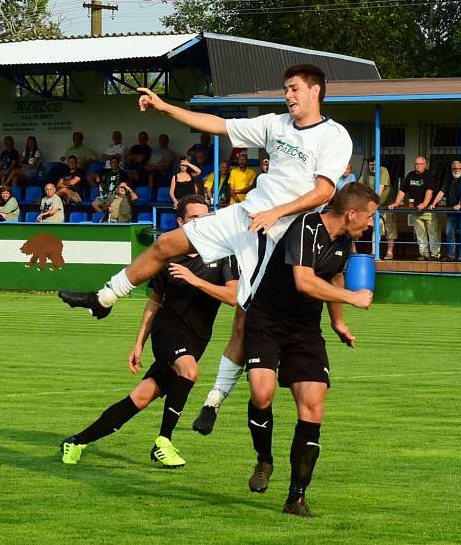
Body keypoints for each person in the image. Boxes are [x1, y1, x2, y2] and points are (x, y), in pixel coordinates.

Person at [58, 64, 352, 437]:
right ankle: (103, 298)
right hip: (244, 215)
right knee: (166, 243)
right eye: (286, 89)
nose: (288, 95)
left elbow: (324, 192)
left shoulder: (334, 136)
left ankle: (214, 398)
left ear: (315, 92)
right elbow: (216, 124)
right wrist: (165, 108)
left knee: (245, 313)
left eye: (294, 89)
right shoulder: (275, 124)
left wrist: (275, 212)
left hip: (280, 235)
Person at [60, 195, 239, 467]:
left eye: (205, 218)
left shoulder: (223, 255)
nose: (201, 223)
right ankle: (163, 442)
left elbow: (233, 296)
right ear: (181, 222)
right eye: (194, 218)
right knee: (189, 372)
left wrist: (195, 280)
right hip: (168, 331)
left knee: (140, 398)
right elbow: (154, 304)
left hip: (198, 339)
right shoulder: (167, 256)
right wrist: (139, 343)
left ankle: (76, 441)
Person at [241, 182, 377, 517]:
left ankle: (296, 498)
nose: (373, 223)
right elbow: (304, 281)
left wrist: (338, 322)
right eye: (371, 215)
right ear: (351, 213)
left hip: (304, 329)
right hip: (267, 320)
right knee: (262, 394)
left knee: (313, 407)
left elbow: (334, 279)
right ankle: (264, 459)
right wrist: (354, 299)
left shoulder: (345, 241)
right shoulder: (305, 226)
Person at [387, 156, 439, 260]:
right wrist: (396, 203)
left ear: (425, 165)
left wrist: (424, 204)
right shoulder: (410, 175)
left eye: (420, 164)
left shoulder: (429, 175)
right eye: (416, 164)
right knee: (420, 234)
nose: (418, 166)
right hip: (415, 210)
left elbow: (430, 191)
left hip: (428, 211)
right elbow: (402, 190)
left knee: (433, 233)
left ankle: (435, 255)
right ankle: (424, 255)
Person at [429, 160, 461, 261]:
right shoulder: (449, 177)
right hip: (452, 211)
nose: (456, 170)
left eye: (459, 168)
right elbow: (442, 191)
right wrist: (433, 203)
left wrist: (460, 204)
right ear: (451, 169)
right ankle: (451, 256)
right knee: (449, 232)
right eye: (454, 168)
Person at [363, 158, 396, 259]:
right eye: (371, 165)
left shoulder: (383, 170)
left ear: (379, 166)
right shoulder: (366, 172)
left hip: (387, 206)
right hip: (376, 207)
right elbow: (360, 187)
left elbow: (379, 191)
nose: (373, 167)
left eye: (375, 165)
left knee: (390, 229)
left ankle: (390, 253)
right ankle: (374, 253)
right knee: (377, 229)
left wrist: (372, 206)